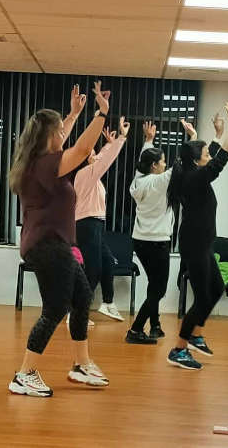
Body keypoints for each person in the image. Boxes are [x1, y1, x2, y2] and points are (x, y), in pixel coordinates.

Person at [6, 82, 112, 397]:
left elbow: (64, 141)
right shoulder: (46, 166)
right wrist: (100, 114)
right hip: (48, 245)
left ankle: (81, 364)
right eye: (59, 131)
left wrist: (73, 114)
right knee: (55, 308)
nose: (62, 134)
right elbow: (80, 150)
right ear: (49, 136)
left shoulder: (38, 162)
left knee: (81, 297)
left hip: (53, 244)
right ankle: (24, 374)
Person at [166, 102, 228, 371]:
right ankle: (179, 349)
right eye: (205, 153)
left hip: (203, 243)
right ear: (197, 160)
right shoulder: (194, 179)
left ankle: (195, 335)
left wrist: (216, 134)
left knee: (217, 288)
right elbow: (218, 162)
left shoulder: (193, 172)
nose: (209, 154)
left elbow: (210, 157)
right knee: (202, 299)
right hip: (195, 245)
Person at [124, 120, 176, 344]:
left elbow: (143, 159)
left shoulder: (140, 179)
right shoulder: (159, 181)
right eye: (162, 161)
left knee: (153, 283)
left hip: (140, 241)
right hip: (157, 242)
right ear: (154, 165)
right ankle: (136, 330)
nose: (165, 164)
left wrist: (148, 141)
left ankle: (155, 325)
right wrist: (193, 138)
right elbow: (182, 166)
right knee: (159, 289)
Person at [73, 110, 129, 322]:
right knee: (93, 270)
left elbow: (101, 159)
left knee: (108, 263)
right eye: (91, 153)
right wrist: (121, 139)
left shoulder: (92, 177)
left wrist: (109, 144)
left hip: (95, 225)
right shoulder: (84, 174)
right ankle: (77, 312)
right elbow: (103, 163)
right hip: (86, 225)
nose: (95, 154)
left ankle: (107, 303)